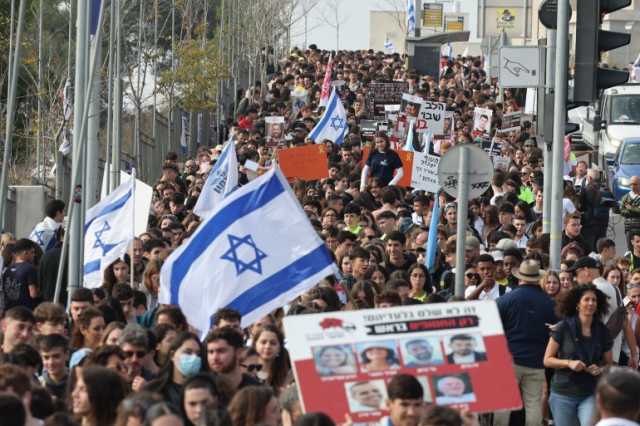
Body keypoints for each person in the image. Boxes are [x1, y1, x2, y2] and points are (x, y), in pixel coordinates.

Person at [496, 260, 557, 426]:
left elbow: (494, 329)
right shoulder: (550, 303)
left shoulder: (505, 300)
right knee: (533, 404)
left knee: (503, 404)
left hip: (509, 359)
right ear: (538, 278)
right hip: (536, 361)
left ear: (520, 277)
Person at [543, 284, 614, 426]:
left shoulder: (602, 331)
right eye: (586, 299)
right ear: (577, 304)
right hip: (563, 393)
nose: (591, 303)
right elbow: (547, 360)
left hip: (590, 392)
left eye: (594, 300)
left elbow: (609, 364)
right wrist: (568, 363)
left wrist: (600, 369)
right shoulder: (563, 327)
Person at [143, 331, 203, 407]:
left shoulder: (204, 391)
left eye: (198, 354)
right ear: (172, 355)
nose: (194, 358)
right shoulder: (155, 389)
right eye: (188, 352)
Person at [204, 326, 261, 396]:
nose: (214, 358)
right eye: (211, 352)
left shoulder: (257, 391)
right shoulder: (203, 389)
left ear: (239, 352)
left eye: (221, 351)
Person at [252, 325, 291, 392]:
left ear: (279, 348)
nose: (267, 346)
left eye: (273, 343)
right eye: (263, 342)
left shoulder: (288, 375)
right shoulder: (247, 373)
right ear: (255, 345)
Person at [620, 176, 640, 251]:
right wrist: (636, 209)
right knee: (631, 250)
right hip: (629, 227)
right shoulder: (625, 197)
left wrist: (630, 208)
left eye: (635, 184)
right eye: (631, 184)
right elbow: (622, 211)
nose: (632, 186)